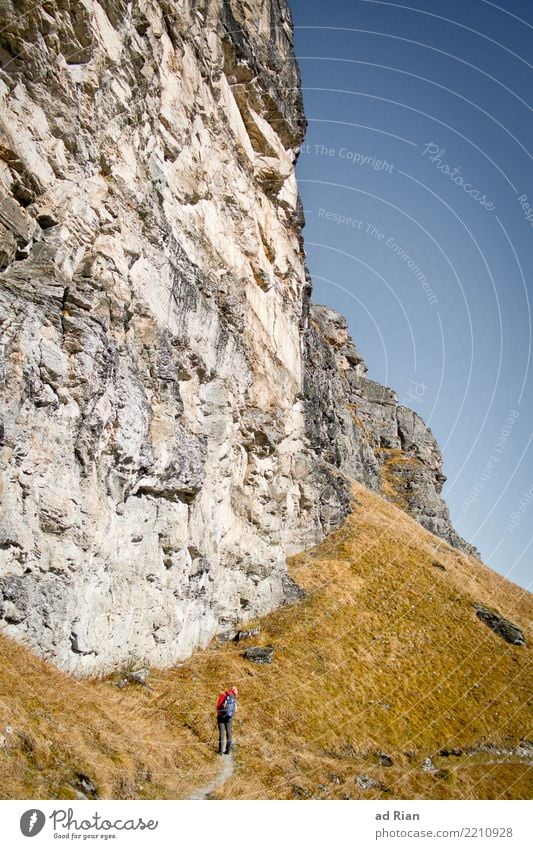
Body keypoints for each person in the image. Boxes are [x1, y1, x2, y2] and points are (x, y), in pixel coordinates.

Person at [216, 686, 238, 755]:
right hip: (229, 717)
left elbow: (218, 705)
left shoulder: (224, 695)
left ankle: (220, 751)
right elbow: (235, 708)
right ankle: (228, 750)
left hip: (221, 716)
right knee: (229, 732)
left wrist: (219, 713)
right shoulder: (234, 697)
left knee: (221, 733)